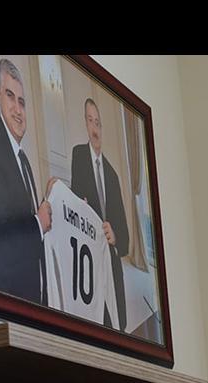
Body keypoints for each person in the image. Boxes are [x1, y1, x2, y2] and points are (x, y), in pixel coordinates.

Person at [0, 58, 51, 304]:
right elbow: (0, 229)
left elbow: (21, 215)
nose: (18, 110)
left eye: (22, 102)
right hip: (5, 295)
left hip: (28, 293)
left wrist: (53, 202)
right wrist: (39, 223)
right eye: (10, 96)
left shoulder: (22, 158)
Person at [71, 98, 129, 331]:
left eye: (98, 123)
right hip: (89, 257)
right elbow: (75, 202)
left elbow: (125, 236)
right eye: (90, 121)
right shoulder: (78, 155)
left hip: (110, 260)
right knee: (95, 321)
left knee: (119, 324)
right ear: (85, 124)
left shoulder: (113, 176)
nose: (95, 128)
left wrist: (115, 236)